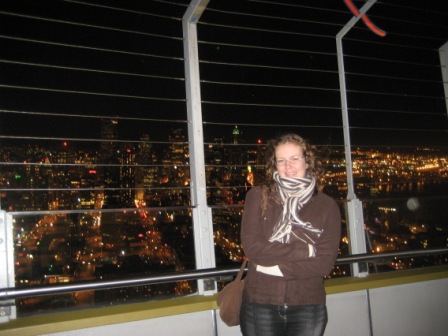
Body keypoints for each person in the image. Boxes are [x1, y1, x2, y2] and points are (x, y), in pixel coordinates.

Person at [240, 133, 341, 336]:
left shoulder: (327, 206)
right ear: (274, 165)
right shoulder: (258, 196)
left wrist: (272, 268)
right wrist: (305, 250)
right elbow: (253, 248)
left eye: (295, 158)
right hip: (260, 303)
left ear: (307, 161)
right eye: (282, 161)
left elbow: (324, 263)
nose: (289, 166)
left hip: (308, 305)